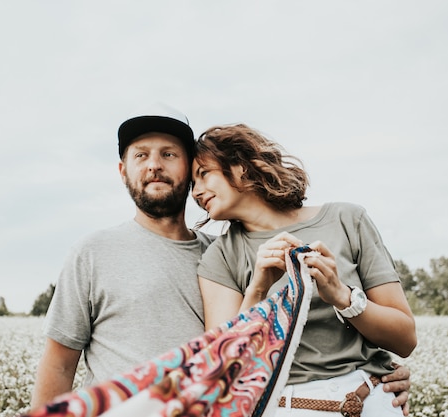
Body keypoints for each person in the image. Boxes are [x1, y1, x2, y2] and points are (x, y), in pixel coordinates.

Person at [30, 104, 413, 414]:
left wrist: (374, 373)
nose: (154, 166)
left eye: (170, 155)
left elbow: (394, 335)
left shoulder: (216, 250)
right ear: (122, 170)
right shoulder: (94, 252)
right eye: (140, 155)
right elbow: (61, 362)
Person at [191, 123, 417, 416]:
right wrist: (257, 290)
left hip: (374, 399)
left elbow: (405, 339)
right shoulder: (219, 256)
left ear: (240, 166)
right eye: (192, 185)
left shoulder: (348, 219)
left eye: (203, 174)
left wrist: (342, 296)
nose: (196, 192)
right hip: (289, 406)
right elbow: (227, 370)